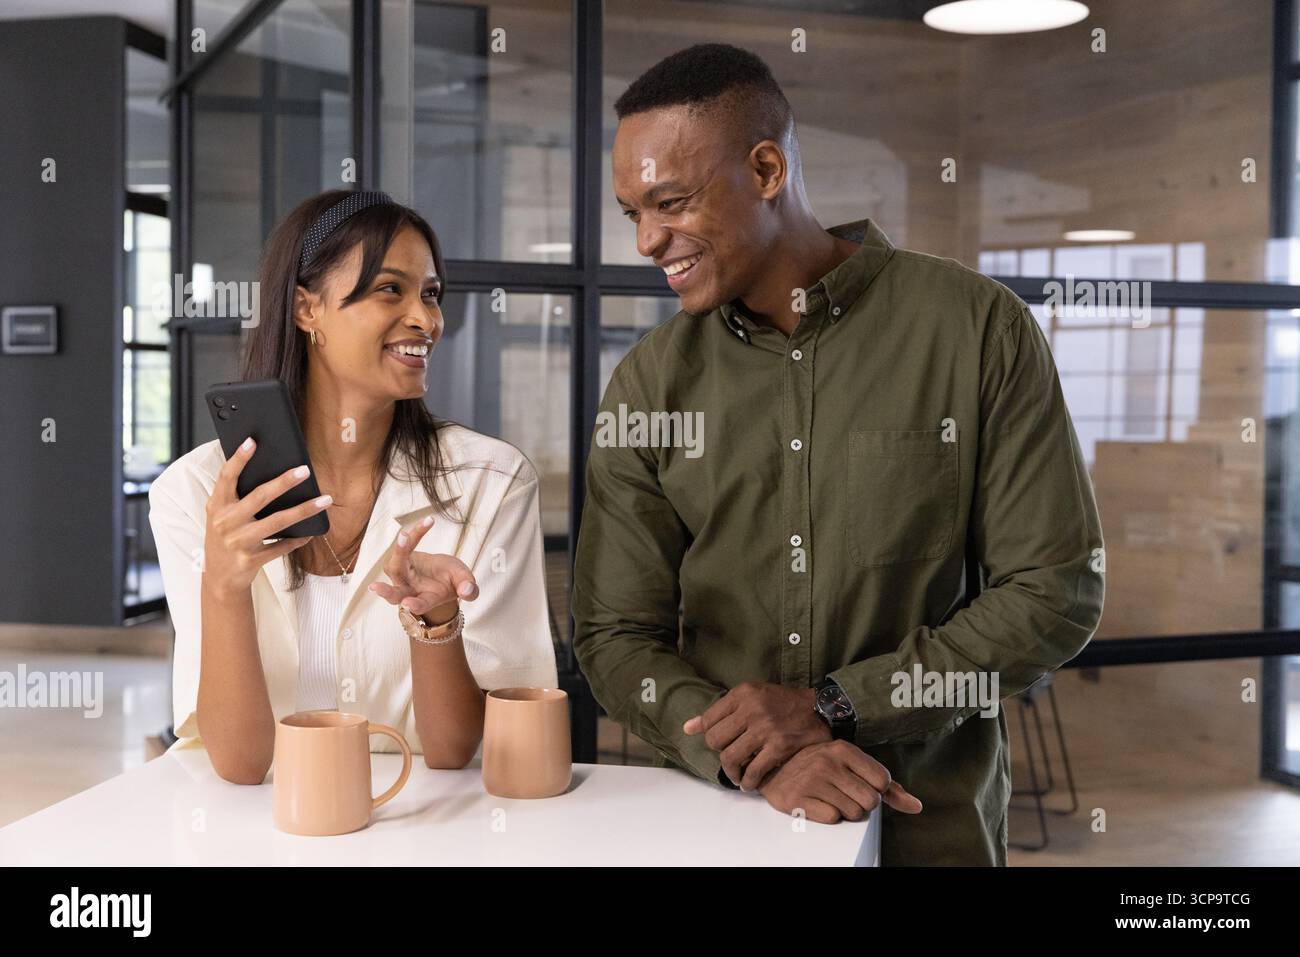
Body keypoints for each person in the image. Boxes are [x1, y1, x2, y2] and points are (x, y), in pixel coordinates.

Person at [572, 44, 1105, 865]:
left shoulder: (976, 331)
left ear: (766, 168)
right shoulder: (649, 386)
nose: (648, 239)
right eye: (631, 211)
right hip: (725, 832)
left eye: (670, 201)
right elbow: (613, 633)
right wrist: (756, 751)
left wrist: (834, 705)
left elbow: (1054, 590)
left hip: (934, 831)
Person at [149, 189, 558, 785]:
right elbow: (239, 765)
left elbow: (452, 752)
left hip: (427, 823)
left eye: (431, 294)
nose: (426, 319)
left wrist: (436, 622)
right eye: (390, 289)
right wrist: (223, 586)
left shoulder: (491, 483)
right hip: (248, 830)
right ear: (305, 309)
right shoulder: (194, 493)